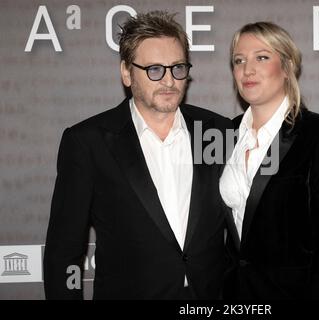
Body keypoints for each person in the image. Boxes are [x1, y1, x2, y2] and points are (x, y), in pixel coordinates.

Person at [44, 11, 231, 299]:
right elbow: (63, 252)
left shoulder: (218, 131)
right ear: (127, 73)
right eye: (154, 69)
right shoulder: (88, 142)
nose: (169, 81)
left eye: (178, 68)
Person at [219, 22, 319, 299]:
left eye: (262, 57)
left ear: (288, 66)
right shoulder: (224, 134)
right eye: (239, 60)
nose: (248, 69)